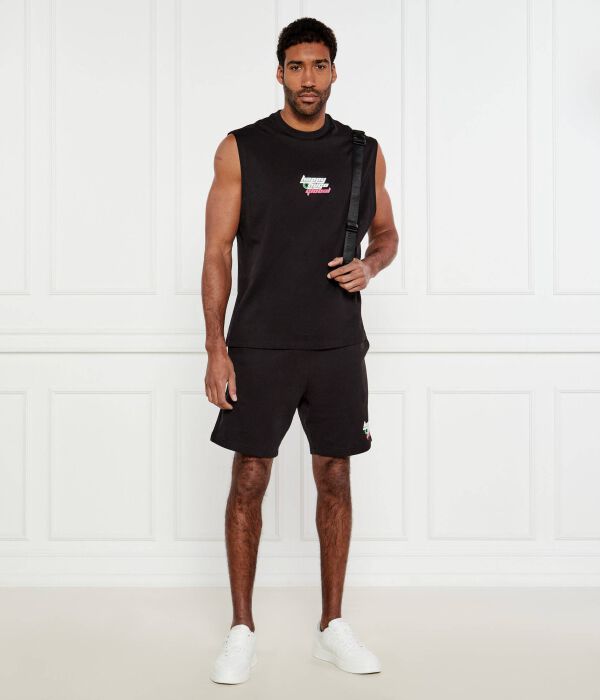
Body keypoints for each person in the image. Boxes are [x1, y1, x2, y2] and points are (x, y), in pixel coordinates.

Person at [202, 17, 398, 684]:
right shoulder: (242, 149)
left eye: (319, 65)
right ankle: (241, 630)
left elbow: (387, 234)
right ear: (280, 72)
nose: (308, 78)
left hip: (336, 343)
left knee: (335, 476)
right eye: (296, 66)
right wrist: (215, 348)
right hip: (259, 343)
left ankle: (332, 626)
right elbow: (215, 253)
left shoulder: (363, 152)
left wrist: (370, 265)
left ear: (334, 71)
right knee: (249, 479)